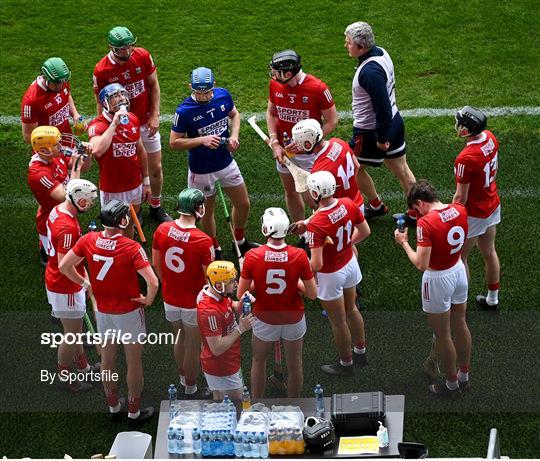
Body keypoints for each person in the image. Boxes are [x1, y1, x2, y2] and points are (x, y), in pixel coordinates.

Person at [60, 199, 159, 425]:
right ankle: (134, 412)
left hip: (103, 311)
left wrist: (86, 284)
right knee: (134, 362)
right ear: (122, 221)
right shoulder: (131, 247)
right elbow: (152, 282)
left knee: (107, 360)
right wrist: (148, 299)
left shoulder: (88, 239)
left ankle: (114, 406)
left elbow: (65, 266)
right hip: (129, 312)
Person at [170, 67, 258, 258]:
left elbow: (234, 115)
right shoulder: (183, 111)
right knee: (206, 211)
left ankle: (240, 240)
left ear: (214, 87)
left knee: (243, 203)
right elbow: (174, 142)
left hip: (225, 161)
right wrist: (201, 140)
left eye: (207, 92)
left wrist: (234, 136)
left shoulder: (223, 96)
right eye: (198, 92)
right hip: (201, 169)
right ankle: (214, 247)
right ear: (190, 88)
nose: (203, 96)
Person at [394, 180, 472, 397]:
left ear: (420, 202)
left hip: (438, 279)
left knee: (444, 335)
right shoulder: (459, 209)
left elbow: (421, 263)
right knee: (461, 324)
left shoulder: (426, 224)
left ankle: (450, 385)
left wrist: (404, 243)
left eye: (415, 208)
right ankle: (464, 377)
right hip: (458, 270)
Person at [295, 171, 371, 376]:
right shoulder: (347, 203)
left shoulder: (317, 225)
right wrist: (345, 245)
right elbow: (365, 231)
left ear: (316, 193)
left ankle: (346, 364)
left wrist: (299, 272)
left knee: (337, 321)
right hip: (350, 263)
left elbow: (317, 264)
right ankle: (360, 353)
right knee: (353, 309)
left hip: (331, 274)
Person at [93, 26, 170, 223]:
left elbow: (153, 85)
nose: (127, 52)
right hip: (120, 125)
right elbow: (100, 102)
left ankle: (155, 205)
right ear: (111, 48)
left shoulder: (142, 55)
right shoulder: (102, 70)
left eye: (129, 46)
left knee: (155, 167)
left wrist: (155, 114)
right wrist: (102, 130)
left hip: (144, 122)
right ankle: (134, 207)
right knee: (124, 165)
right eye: (122, 49)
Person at [237, 207, 317, 398]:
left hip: (264, 318)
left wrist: (255, 276)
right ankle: (293, 406)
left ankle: (257, 404)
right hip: (293, 318)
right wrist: (294, 281)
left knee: (258, 361)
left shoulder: (253, 256)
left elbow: (242, 293)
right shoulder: (299, 255)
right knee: (295, 363)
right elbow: (312, 294)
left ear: (266, 228)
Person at [344, 22, 416, 221]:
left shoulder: (369, 73)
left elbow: (381, 107)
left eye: (348, 43)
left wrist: (381, 138)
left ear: (361, 47)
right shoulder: (381, 53)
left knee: (351, 167)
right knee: (403, 170)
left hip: (372, 131)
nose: (345, 46)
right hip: (394, 121)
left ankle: (375, 206)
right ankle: (416, 213)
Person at [266, 50, 339, 248]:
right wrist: (275, 142)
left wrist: (308, 144)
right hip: (284, 151)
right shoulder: (275, 85)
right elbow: (272, 113)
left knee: (315, 198)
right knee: (290, 191)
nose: (273, 74)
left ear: (288, 73)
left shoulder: (317, 88)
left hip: (310, 155)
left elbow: (332, 121)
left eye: (277, 71)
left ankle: (324, 232)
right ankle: (304, 235)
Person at [152, 188, 214, 398]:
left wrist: (167, 282)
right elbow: (210, 277)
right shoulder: (203, 240)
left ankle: (182, 376)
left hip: (170, 296)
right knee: (193, 345)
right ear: (198, 209)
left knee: (178, 338)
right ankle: (190, 386)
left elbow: (156, 264)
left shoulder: (162, 230)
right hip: (192, 300)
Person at [45, 179, 100, 392]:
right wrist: (85, 283)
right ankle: (65, 377)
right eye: (88, 201)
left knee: (74, 330)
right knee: (72, 335)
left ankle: (84, 367)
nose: (90, 205)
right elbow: (64, 266)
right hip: (65, 285)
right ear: (79, 199)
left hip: (59, 282)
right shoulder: (67, 228)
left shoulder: (59, 210)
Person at [453, 106, 501, 310]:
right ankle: (493, 297)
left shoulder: (465, 158)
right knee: (489, 251)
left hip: (474, 212)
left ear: (467, 129)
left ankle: (459, 304)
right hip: (492, 203)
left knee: (460, 257)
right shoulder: (490, 137)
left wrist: (451, 215)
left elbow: (461, 196)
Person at [88, 83, 150, 239]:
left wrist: (146, 181)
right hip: (113, 188)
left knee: (129, 223)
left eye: (122, 94)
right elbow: (97, 151)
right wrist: (114, 123)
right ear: (105, 103)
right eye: (115, 96)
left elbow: (141, 151)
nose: (121, 98)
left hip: (134, 184)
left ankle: (128, 250)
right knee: (113, 229)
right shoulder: (97, 126)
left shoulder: (132, 119)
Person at [27, 126, 88, 266]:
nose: (61, 146)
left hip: (64, 214)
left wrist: (86, 155)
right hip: (52, 221)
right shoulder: (39, 174)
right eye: (56, 144)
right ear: (43, 150)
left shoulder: (53, 155)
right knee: (59, 263)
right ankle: (45, 251)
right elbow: (68, 197)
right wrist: (76, 168)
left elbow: (85, 167)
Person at [197, 261, 256, 400]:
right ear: (219, 285)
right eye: (232, 281)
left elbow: (231, 306)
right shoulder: (209, 311)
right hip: (222, 367)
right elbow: (216, 348)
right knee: (236, 406)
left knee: (223, 405)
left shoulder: (218, 294)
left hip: (227, 361)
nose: (236, 284)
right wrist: (240, 328)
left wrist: (242, 302)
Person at [292, 118, 364, 214]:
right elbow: (357, 166)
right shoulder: (339, 142)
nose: (298, 146)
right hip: (358, 202)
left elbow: (314, 204)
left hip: (341, 212)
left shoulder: (319, 171)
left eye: (300, 143)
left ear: (308, 143)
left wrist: (301, 183)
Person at [21, 57, 85, 144]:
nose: (61, 86)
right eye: (56, 84)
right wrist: (53, 145)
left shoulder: (61, 80)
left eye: (63, 82)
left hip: (67, 139)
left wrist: (75, 114)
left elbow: (67, 95)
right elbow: (28, 136)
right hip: (48, 149)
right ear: (45, 78)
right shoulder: (31, 101)